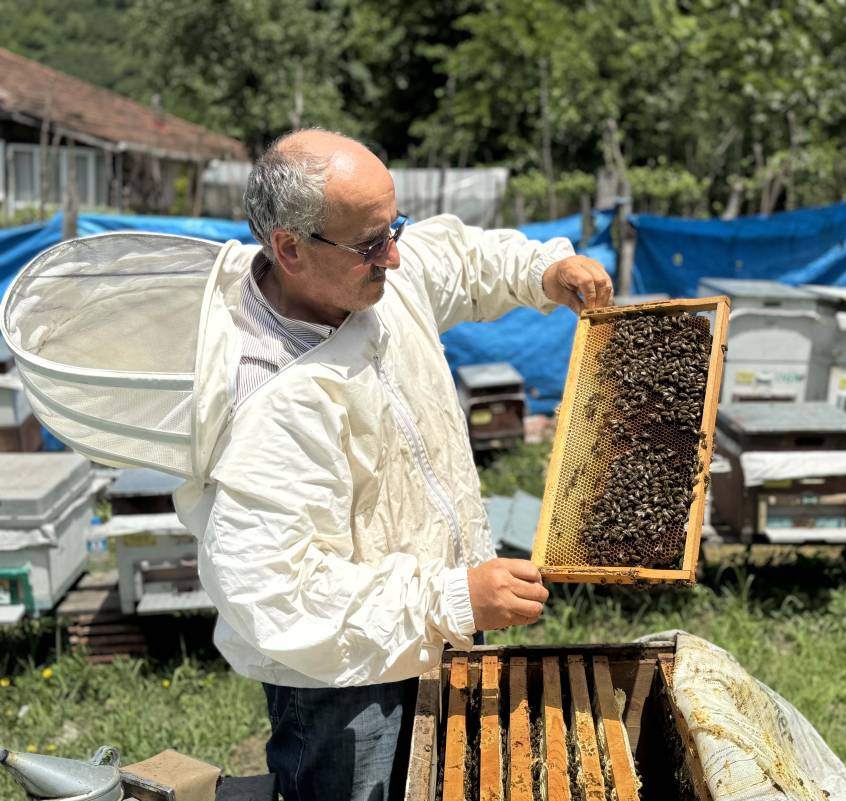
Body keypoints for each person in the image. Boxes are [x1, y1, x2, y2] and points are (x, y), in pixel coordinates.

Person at [172, 129, 613, 801]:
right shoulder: (261, 399)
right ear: (289, 247)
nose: (395, 256)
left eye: (393, 228)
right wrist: (456, 596)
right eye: (372, 243)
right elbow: (279, 594)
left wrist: (542, 270)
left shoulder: (370, 276)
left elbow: (457, 259)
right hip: (341, 682)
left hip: (444, 617)